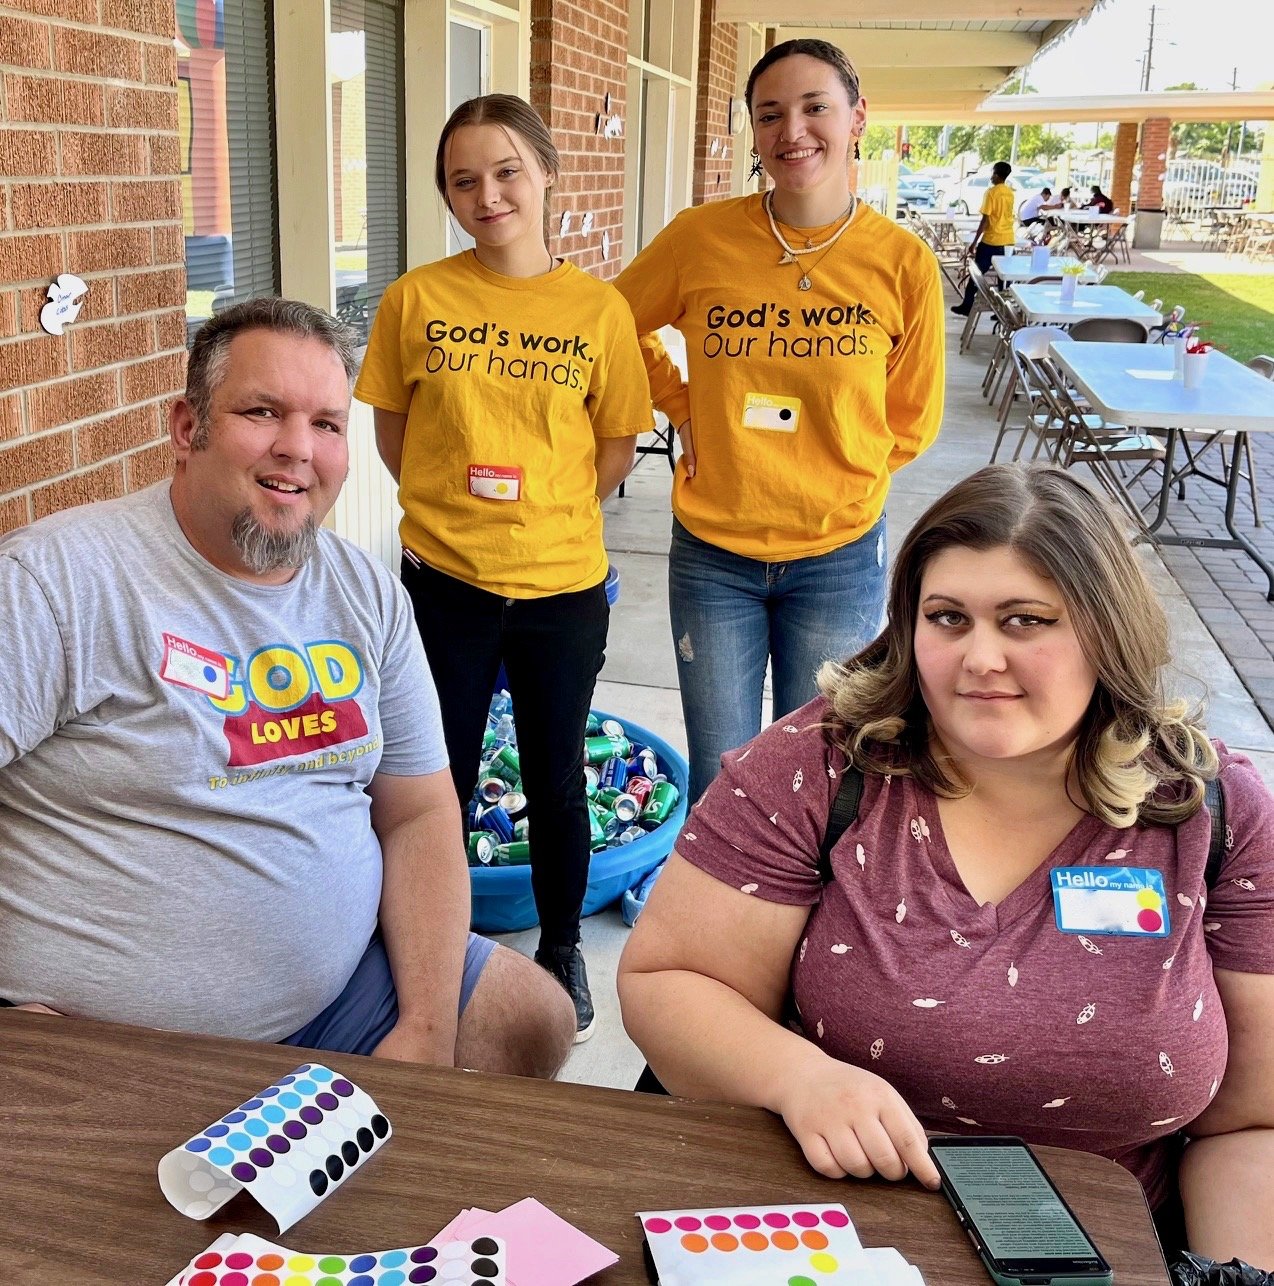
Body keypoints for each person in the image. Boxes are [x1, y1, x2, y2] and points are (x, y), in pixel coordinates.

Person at [618, 464, 1274, 1268]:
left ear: (1109, 631)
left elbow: (1251, 1124)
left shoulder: (1216, 812)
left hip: (1100, 1251)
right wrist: (799, 1078)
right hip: (825, 1238)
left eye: (1025, 621)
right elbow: (668, 981)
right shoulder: (821, 766)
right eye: (948, 618)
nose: (980, 659)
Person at [0, 297, 576, 1076]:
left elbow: (419, 812)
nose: (297, 449)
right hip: (108, 1041)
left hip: (341, 1003)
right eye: (262, 412)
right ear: (187, 428)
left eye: (328, 425)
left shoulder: (366, 595)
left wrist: (428, 1030)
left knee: (533, 1019)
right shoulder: (59, 582)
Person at [355, 94, 651, 1043]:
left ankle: (560, 944)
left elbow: (614, 449)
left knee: (557, 775)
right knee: (424, 775)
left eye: (506, 171)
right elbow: (395, 432)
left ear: (548, 173)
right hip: (445, 582)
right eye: (463, 180)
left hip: (562, 585)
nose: (487, 195)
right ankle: (412, 943)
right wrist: (455, 512)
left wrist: (543, 514)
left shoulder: (598, 311)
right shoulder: (418, 300)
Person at [615, 38, 944, 805]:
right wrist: (681, 404)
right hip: (714, 555)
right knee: (721, 773)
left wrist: (829, 466)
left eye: (815, 107)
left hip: (838, 556)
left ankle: (806, 920)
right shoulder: (702, 237)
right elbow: (610, 326)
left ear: (857, 118)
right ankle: (721, 923)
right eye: (770, 114)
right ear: (754, 132)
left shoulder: (901, 263)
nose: (792, 130)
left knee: (824, 767)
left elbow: (913, 418)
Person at [951, 160, 1015, 316]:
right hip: (1008, 239)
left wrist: (974, 242)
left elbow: (985, 220)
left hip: (992, 240)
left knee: (976, 274)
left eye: (993, 173)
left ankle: (967, 305)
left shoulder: (991, 193)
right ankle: (1004, 312)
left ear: (997, 175)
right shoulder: (1010, 192)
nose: (991, 176)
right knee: (1004, 279)